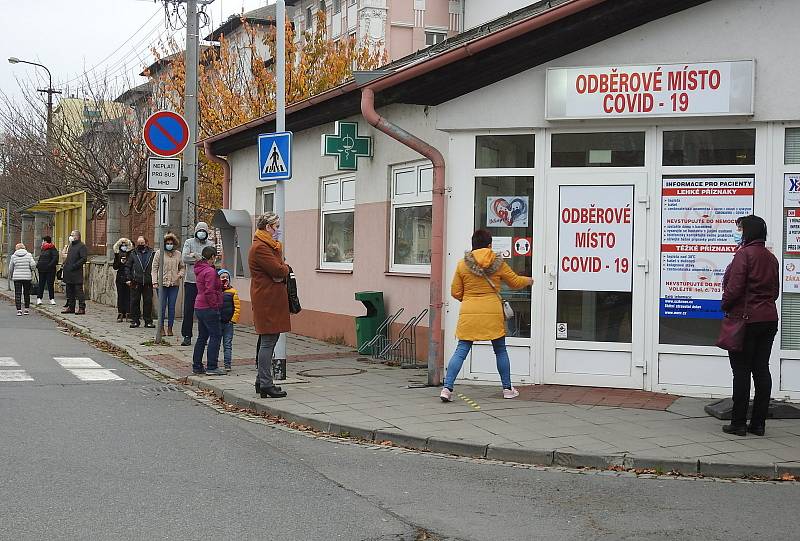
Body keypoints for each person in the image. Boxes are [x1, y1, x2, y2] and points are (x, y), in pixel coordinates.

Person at [440, 229, 532, 402]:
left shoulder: (462, 264)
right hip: (492, 313)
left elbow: (455, 292)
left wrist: (469, 299)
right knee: (500, 350)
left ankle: (447, 388)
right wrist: (529, 280)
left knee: (461, 350)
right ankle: (507, 389)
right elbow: (514, 282)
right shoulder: (498, 263)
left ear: (473, 246)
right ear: (490, 245)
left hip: (469, 312)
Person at [720, 215, 779, 437]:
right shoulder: (771, 258)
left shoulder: (744, 255)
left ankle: (738, 423)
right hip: (768, 319)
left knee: (742, 371)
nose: (738, 232)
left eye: (740, 228)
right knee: (762, 370)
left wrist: (724, 304)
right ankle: (758, 424)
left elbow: (733, 289)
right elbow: (775, 292)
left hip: (746, 321)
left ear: (749, 232)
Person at [248, 212, 289, 398]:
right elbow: (278, 269)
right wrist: (285, 268)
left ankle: (261, 381)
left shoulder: (268, 246)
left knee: (268, 339)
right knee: (268, 341)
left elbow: (278, 270)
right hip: (267, 298)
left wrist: (281, 269)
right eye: (276, 226)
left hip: (270, 297)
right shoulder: (261, 248)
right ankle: (265, 383)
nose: (278, 230)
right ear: (267, 227)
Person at [192, 246, 225, 376]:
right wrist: (215, 305)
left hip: (199, 305)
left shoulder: (200, 269)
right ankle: (212, 366)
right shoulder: (210, 271)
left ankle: (197, 365)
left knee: (202, 336)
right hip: (208, 307)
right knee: (216, 336)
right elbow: (209, 290)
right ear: (212, 257)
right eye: (215, 257)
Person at [181, 222, 214, 346]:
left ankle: (204, 335)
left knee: (204, 310)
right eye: (199, 230)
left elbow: (210, 261)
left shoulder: (210, 244)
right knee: (188, 309)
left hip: (205, 282)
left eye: (203, 230)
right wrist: (202, 259)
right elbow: (185, 258)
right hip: (191, 281)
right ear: (195, 231)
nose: (201, 232)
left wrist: (195, 256)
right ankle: (187, 335)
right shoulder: (189, 242)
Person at [151, 232, 185, 337]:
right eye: (167, 243)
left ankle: (170, 328)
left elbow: (182, 267)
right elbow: (154, 268)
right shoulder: (159, 253)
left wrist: (179, 275)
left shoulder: (178, 254)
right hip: (162, 284)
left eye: (171, 243)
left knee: (171, 307)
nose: (169, 245)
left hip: (174, 284)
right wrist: (155, 282)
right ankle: (161, 327)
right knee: (162, 306)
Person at [126, 236, 155, 328]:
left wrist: (154, 279)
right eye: (138, 243)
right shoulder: (133, 253)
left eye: (142, 243)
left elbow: (155, 266)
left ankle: (148, 321)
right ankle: (135, 320)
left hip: (148, 281)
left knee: (148, 301)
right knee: (134, 301)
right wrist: (129, 278)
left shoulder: (152, 253)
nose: (140, 245)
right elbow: (128, 266)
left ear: (146, 243)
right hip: (136, 281)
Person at [218, 269, 241, 372]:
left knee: (227, 344)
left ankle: (227, 364)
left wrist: (233, 320)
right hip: (218, 322)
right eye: (222, 277)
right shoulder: (216, 291)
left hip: (228, 323)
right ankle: (214, 363)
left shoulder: (233, 292)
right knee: (216, 344)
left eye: (227, 277)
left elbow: (237, 307)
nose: (225, 279)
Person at [62, 230, 88, 315]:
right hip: (68, 272)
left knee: (78, 291)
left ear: (77, 236)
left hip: (76, 272)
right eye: (71, 235)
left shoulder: (82, 246)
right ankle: (71, 307)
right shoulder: (71, 246)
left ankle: (81, 308)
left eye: (72, 235)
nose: (71, 236)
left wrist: (74, 266)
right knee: (69, 291)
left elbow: (83, 259)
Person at [9, 243, 36, 316]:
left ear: (16, 248)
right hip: (27, 277)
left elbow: (10, 268)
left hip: (17, 278)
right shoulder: (29, 255)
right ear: (24, 248)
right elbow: (33, 265)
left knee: (18, 294)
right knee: (26, 293)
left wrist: (12, 276)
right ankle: (26, 309)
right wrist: (32, 269)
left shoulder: (13, 256)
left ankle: (19, 310)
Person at [112, 237, 133, 322]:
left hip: (128, 277)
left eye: (125, 245)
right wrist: (119, 261)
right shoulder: (118, 254)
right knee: (120, 295)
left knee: (128, 295)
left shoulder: (130, 254)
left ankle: (128, 312)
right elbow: (115, 267)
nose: (124, 246)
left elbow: (132, 265)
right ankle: (120, 313)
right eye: (122, 245)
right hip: (120, 277)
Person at [35, 235, 58, 306]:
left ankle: (52, 299)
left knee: (50, 284)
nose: (42, 243)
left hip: (50, 270)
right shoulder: (43, 249)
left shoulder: (53, 249)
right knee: (41, 284)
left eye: (43, 241)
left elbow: (55, 258)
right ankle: (39, 298)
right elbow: (41, 258)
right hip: (42, 269)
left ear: (45, 241)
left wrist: (49, 265)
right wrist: (38, 265)